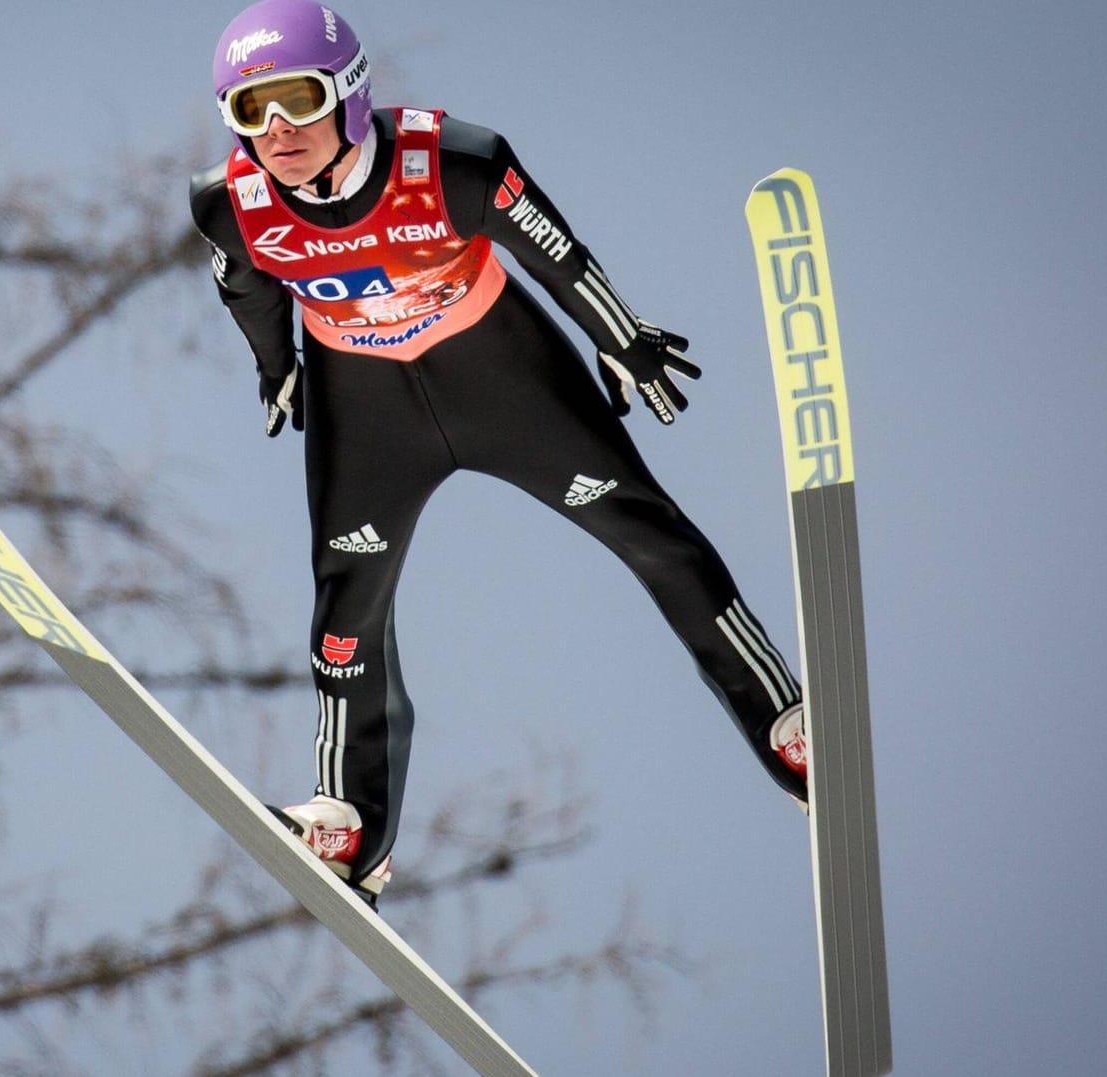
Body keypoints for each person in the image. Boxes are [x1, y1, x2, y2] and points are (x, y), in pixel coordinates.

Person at [190, 0, 807, 901]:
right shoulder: (229, 202)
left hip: (500, 376)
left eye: (297, 99)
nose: (277, 131)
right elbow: (247, 290)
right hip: (367, 409)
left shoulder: (452, 160)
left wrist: (620, 335)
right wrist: (277, 368)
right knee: (345, 611)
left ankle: (785, 727)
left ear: (351, 95)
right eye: (251, 110)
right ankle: (351, 825)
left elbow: (556, 252)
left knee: (649, 532)